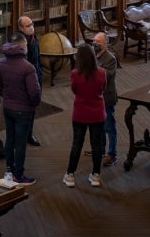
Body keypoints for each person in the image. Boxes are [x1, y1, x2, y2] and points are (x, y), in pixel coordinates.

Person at [0, 32, 41, 185]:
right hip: (24, 110)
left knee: (10, 140)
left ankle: (8, 171)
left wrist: (6, 96)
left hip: (8, 107)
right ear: (22, 46)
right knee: (20, 143)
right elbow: (34, 92)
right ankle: (18, 175)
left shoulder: (1, 63)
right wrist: (33, 104)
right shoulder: (28, 67)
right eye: (26, 45)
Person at [63, 44, 107, 188]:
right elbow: (103, 88)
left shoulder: (75, 74)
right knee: (96, 145)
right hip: (97, 114)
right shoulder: (102, 72)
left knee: (77, 144)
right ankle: (96, 175)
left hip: (80, 113)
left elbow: (75, 90)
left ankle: (70, 175)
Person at [93, 32, 118, 167]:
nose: (95, 44)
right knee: (99, 126)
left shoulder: (110, 58)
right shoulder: (94, 55)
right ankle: (100, 149)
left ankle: (112, 154)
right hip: (96, 97)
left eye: (98, 42)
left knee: (109, 127)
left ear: (105, 44)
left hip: (107, 98)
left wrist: (93, 69)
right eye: (94, 41)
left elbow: (107, 75)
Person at [18, 15, 43, 146]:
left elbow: (37, 58)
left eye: (32, 24)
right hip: (24, 80)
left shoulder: (34, 38)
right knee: (23, 111)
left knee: (32, 109)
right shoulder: (18, 41)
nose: (31, 27)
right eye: (28, 26)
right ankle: (21, 136)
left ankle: (29, 134)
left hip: (36, 77)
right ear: (21, 28)